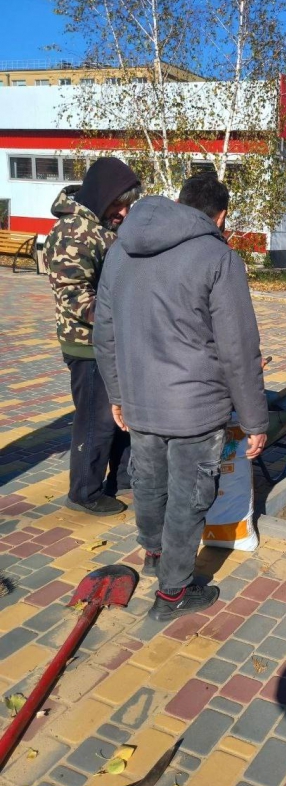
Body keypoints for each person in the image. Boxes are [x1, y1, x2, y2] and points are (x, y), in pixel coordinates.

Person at [93, 175, 269, 621]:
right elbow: (238, 349)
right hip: (196, 407)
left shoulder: (121, 249)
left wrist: (118, 394)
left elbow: (105, 333)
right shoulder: (217, 256)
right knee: (189, 499)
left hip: (140, 401)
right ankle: (172, 593)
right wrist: (254, 420)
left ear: (180, 203)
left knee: (149, 485)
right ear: (221, 215)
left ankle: (154, 558)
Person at [44, 157, 141, 516]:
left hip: (110, 340)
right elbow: (74, 295)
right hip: (87, 345)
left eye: (127, 204)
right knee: (95, 420)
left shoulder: (98, 227)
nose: (124, 211)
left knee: (119, 414)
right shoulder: (72, 231)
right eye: (119, 203)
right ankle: (84, 491)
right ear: (102, 196)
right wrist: (122, 318)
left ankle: (121, 476)